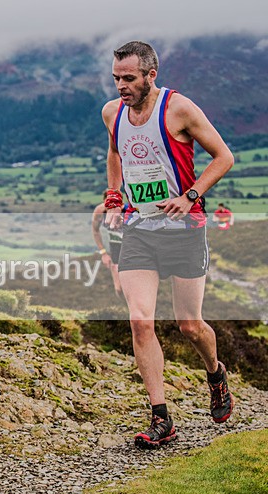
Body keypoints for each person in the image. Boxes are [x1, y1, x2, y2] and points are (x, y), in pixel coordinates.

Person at [102, 41, 235, 450]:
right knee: (140, 321)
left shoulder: (179, 109)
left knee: (189, 325)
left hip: (184, 229)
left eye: (129, 79)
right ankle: (161, 418)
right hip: (139, 230)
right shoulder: (112, 112)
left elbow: (223, 157)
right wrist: (114, 199)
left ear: (149, 75)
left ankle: (215, 373)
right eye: (116, 79)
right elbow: (114, 152)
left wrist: (190, 196)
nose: (121, 86)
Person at [91, 199, 123, 298]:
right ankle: (120, 310)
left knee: (130, 287)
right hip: (115, 247)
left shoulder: (128, 209)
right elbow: (95, 231)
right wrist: (104, 253)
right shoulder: (100, 211)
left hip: (131, 247)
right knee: (119, 289)